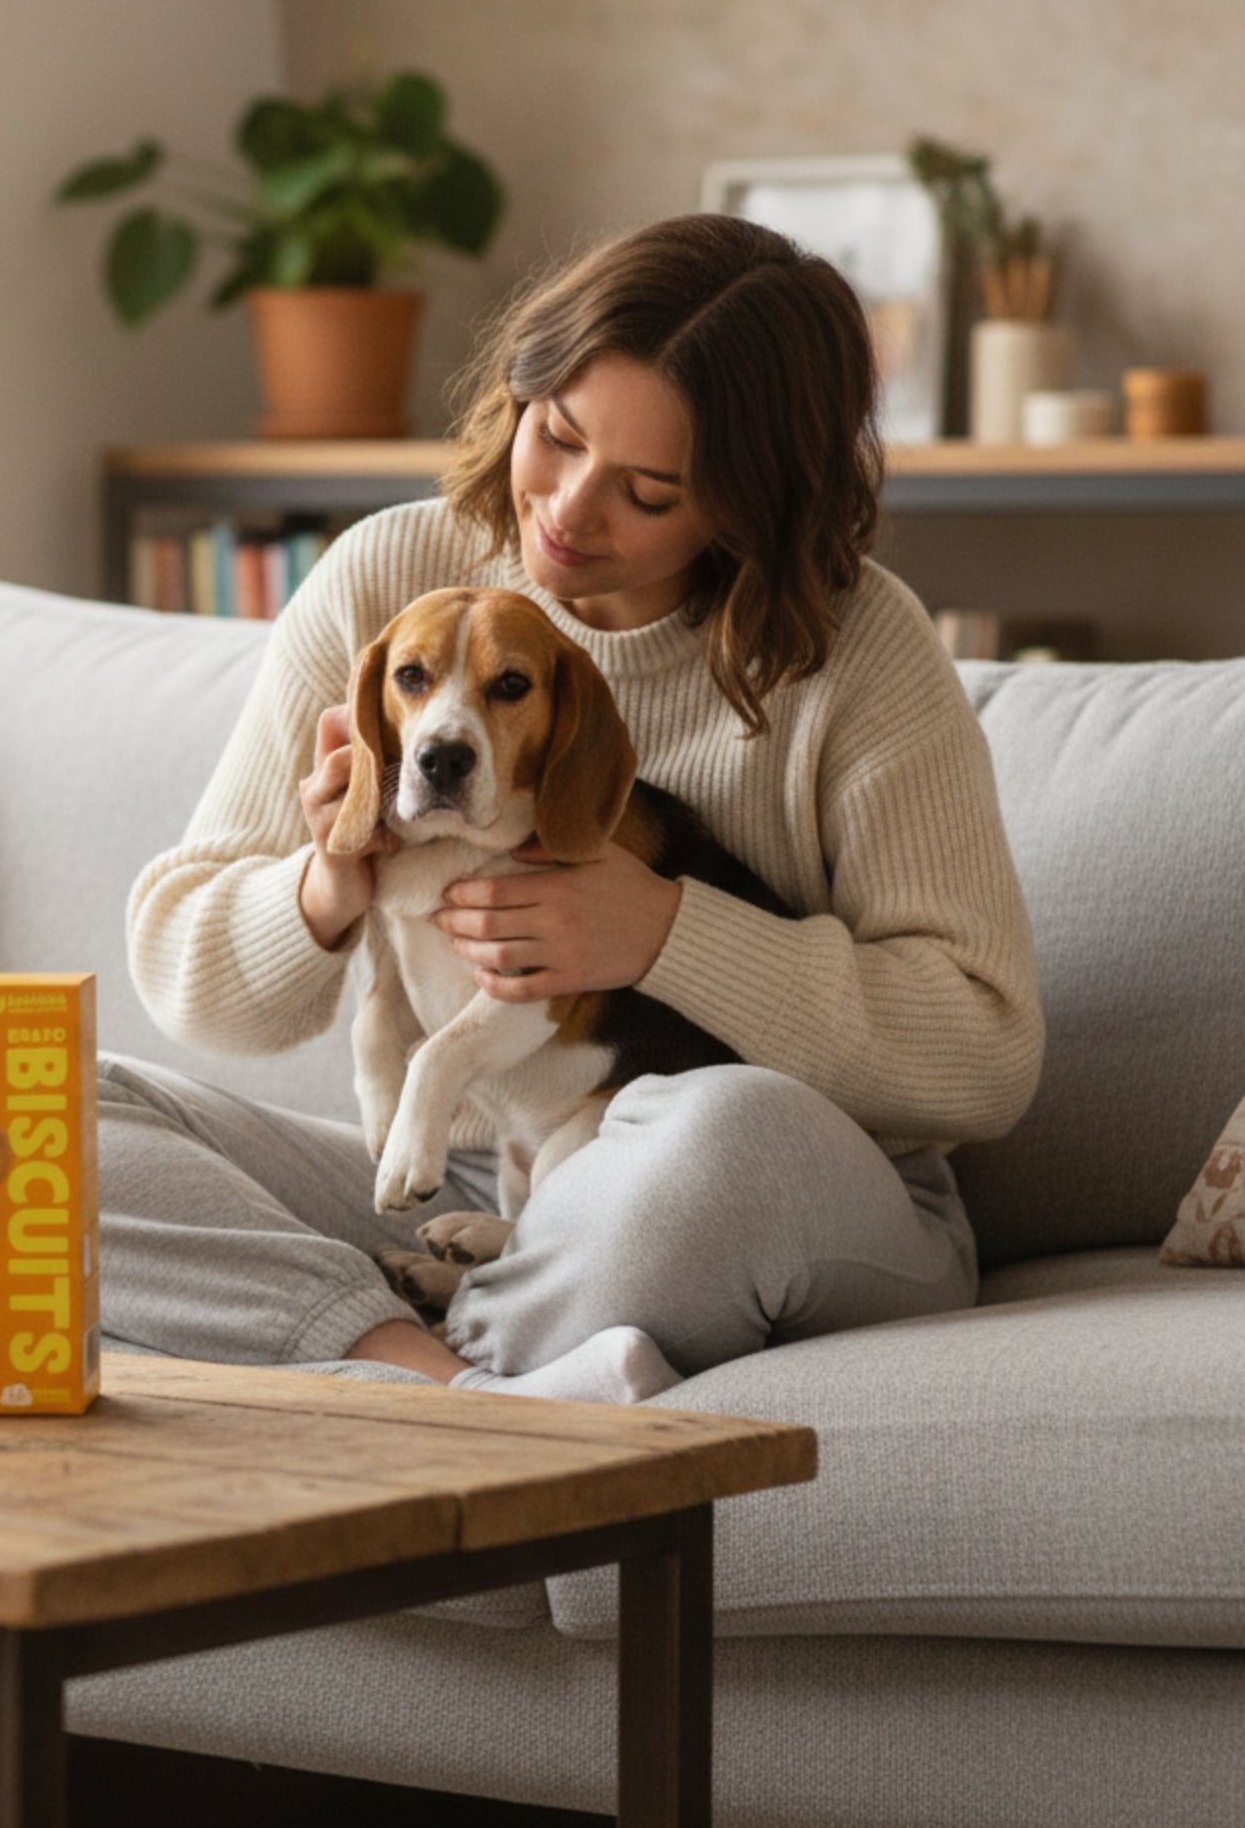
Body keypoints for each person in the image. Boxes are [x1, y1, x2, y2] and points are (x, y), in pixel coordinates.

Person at [110, 212, 1044, 1404]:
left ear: (747, 507)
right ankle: (454, 1391)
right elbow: (187, 979)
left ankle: (431, 1376)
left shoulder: (858, 653)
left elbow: (982, 1055)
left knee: (715, 1139)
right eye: (553, 435)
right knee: (32, 1118)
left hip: (753, 1185)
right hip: (461, 1180)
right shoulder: (390, 582)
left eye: (648, 491)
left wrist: (662, 931)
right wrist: (331, 873)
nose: (564, 511)